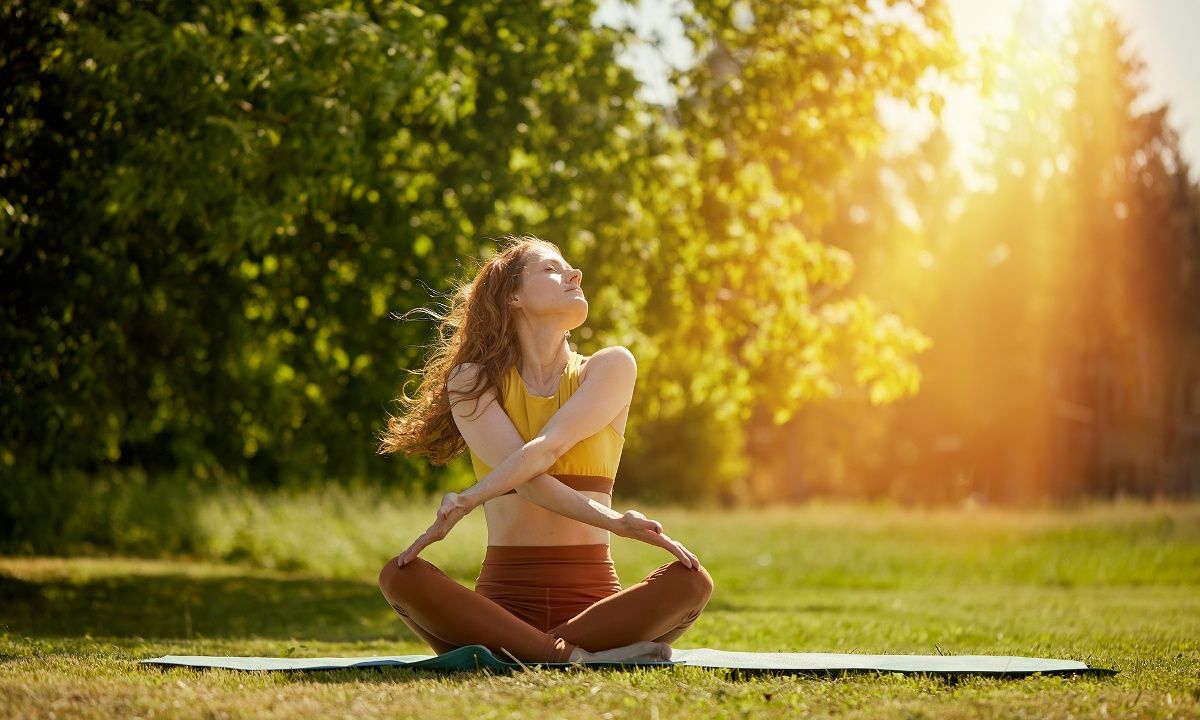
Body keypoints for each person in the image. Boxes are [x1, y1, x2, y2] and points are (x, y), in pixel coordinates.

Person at [375, 234, 714, 664]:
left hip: (595, 607)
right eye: (552, 269)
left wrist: (467, 500)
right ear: (513, 296)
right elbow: (529, 482)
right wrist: (616, 521)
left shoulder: (610, 366)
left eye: (570, 267)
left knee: (692, 582)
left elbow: (547, 448)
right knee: (399, 577)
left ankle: (532, 651)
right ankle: (580, 657)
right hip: (502, 605)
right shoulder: (472, 380)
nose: (575, 274)